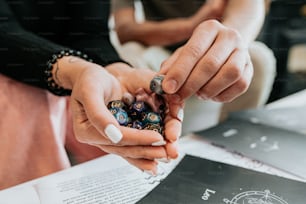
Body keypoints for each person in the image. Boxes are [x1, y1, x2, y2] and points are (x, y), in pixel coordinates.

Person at [0, 0, 183, 189]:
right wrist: (74, 72)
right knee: (25, 102)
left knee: (123, 164)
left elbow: (90, 34)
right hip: (15, 68)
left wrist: (116, 69)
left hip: (79, 68)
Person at [111, 0, 276, 133]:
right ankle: (146, 137)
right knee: (129, 56)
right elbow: (125, 30)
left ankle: (233, 137)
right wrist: (191, 26)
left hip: (213, 44)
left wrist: (228, 43)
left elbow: (250, 5)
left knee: (258, 59)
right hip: (160, 49)